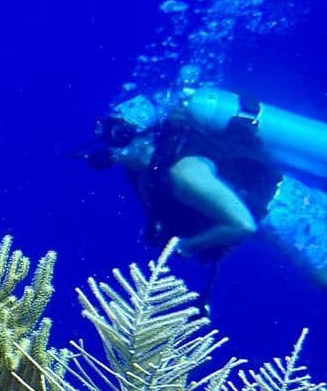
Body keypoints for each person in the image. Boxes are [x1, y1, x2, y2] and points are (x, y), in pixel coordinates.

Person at [85, 86, 327, 288]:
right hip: (295, 195)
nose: (109, 146)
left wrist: (187, 247)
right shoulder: (156, 166)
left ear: (144, 137)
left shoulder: (183, 173)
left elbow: (242, 224)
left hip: (293, 222)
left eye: (118, 134)